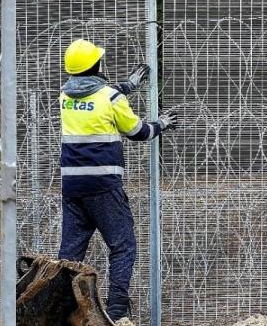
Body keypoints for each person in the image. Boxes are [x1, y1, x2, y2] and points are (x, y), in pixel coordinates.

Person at [57, 38, 177, 326]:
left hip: (72, 186)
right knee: (123, 246)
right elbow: (138, 132)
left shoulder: (65, 96)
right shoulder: (111, 99)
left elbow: (94, 94)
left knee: (70, 254)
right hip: (103, 186)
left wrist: (129, 84)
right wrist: (161, 123)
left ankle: (59, 309)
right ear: (97, 65)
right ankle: (117, 312)